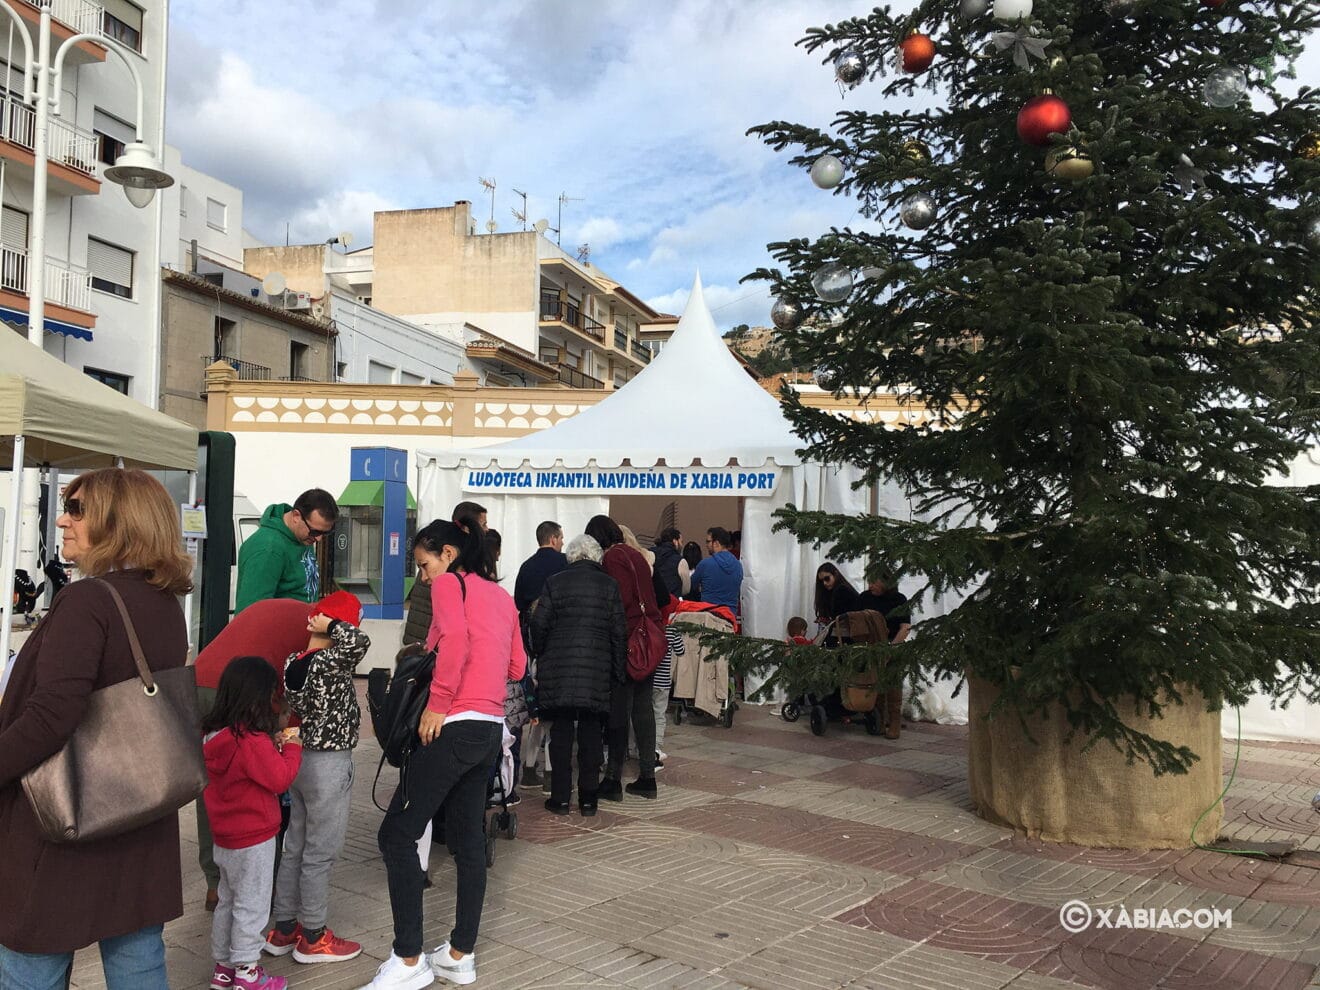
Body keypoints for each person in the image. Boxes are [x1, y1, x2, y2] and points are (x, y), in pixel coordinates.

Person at [0, 468, 193, 988]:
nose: (63, 519)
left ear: (118, 520)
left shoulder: (88, 601)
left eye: (77, 509)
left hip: (65, 813)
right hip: (138, 807)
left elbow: (50, 716)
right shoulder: (162, 602)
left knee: (30, 959)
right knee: (136, 951)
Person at [366, 517, 526, 990]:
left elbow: (455, 640)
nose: (423, 574)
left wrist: (438, 703)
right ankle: (460, 954)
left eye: (424, 563)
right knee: (467, 839)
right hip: (489, 728)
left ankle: (409, 959)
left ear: (448, 555)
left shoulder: (448, 588)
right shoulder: (501, 596)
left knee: (397, 836)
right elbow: (517, 664)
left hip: (452, 721)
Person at [265, 592, 370, 965]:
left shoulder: (295, 661)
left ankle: (283, 927)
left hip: (301, 760)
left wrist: (323, 624)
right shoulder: (332, 661)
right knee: (320, 852)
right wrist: (333, 625)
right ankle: (313, 935)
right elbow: (359, 642)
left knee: (295, 845)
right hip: (329, 764)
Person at [193, 598, 316, 912]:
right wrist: (290, 737)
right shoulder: (318, 629)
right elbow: (300, 692)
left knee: (212, 780)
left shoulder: (285, 610)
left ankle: (215, 884)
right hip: (243, 691)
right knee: (257, 773)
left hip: (201, 681)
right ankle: (257, 881)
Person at [203, 657, 304, 990]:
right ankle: (247, 973)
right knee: (253, 906)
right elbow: (280, 779)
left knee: (228, 902)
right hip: (255, 839)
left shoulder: (214, 736)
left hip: (225, 839)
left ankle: (224, 969)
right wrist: (291, 747)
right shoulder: (251, 741)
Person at [528, 534, 626, 815]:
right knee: (591, 737)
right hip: (596, 670)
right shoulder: (609, 586)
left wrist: (543, 653)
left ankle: (559, 799)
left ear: (570, 556)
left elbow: (538, 623)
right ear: (596, 557)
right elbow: (619, 633)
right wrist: (617, 672)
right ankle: (588, 800)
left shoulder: (555, 582)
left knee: (559, 736)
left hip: (559, 670)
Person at [587, 514, 661, 800]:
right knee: (643, 711)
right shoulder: (636, 555)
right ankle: (647, 776)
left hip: (627, 642)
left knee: (619, 711)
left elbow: (618, 602)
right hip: (647, 640)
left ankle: (612, 778)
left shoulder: (613, 559)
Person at [512, 521, 568, 790]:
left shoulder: (526, 567)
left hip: (531, 647)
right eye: (561, 538)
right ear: (555, 539)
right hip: (559, 646)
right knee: (554, 715)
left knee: (536, 707)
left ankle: (530, 767)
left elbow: (518, 605)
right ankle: (550, 770)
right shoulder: (565, 565)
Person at [235, 488, 338, 614]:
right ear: (296, 516)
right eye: (315, 531)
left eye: (325, 533)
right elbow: (250, 614)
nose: (318, 538)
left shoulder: (303, 537)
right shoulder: (267, 549)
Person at [402, 501, 487, 649]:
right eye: (483, 524)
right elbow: (455, 636)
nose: (486, 530)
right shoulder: (453, 583)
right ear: (448, 553)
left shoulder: (451, 581)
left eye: (424, 565)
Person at [652, 615, 685, 769]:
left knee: (639, 714)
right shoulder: (672, 631)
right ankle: (656, 747)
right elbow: (681, 651)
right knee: (658, 715)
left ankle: (634, 747)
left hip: (646, 679)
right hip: (663, 682)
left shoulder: (649, 626)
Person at [689, 527, 743, 611]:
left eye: (708, 541)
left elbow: (691, 586)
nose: (706, 545)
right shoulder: (738, 565)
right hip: (730, 615)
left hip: (709, 615)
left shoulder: (705, 564)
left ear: (716, 543)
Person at [651, 527, 684, 599]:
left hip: (653, 599)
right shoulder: (679, 560)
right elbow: (686, 588)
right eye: (681, 542)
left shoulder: (651, 554)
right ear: (675, 542)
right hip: (672, 601)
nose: (682, 545)